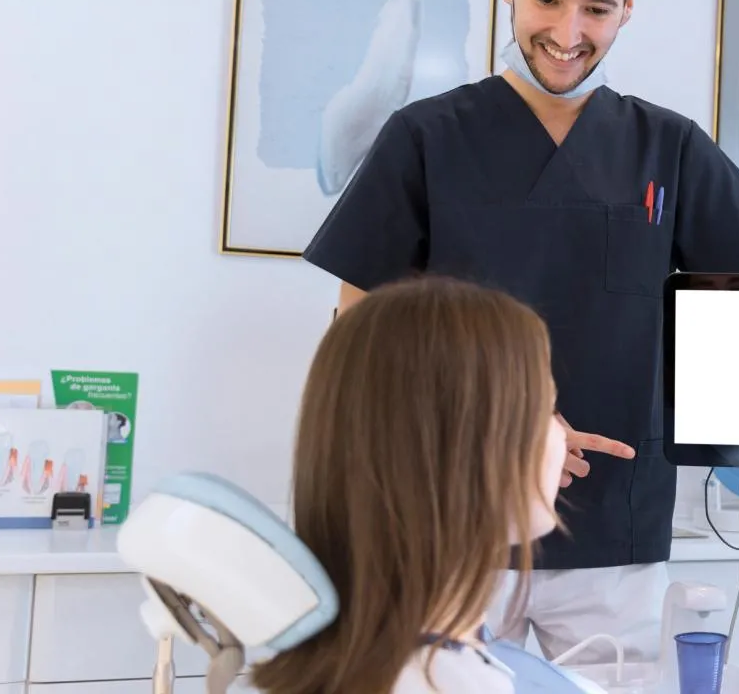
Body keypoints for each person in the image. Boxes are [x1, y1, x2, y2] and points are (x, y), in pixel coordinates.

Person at [301, 0, 739, 663]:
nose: (568, 33)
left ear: (630, 5)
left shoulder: (666, 147)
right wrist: (508, 421)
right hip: (450, 524)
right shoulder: (425, 138)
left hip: (616, 533)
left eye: (597, 9)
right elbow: (358, 340)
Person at [248, 276, 596, 693]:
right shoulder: (444, 682)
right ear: (465, 451)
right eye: (547, 409)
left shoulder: (332, 658)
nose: (562, 435)